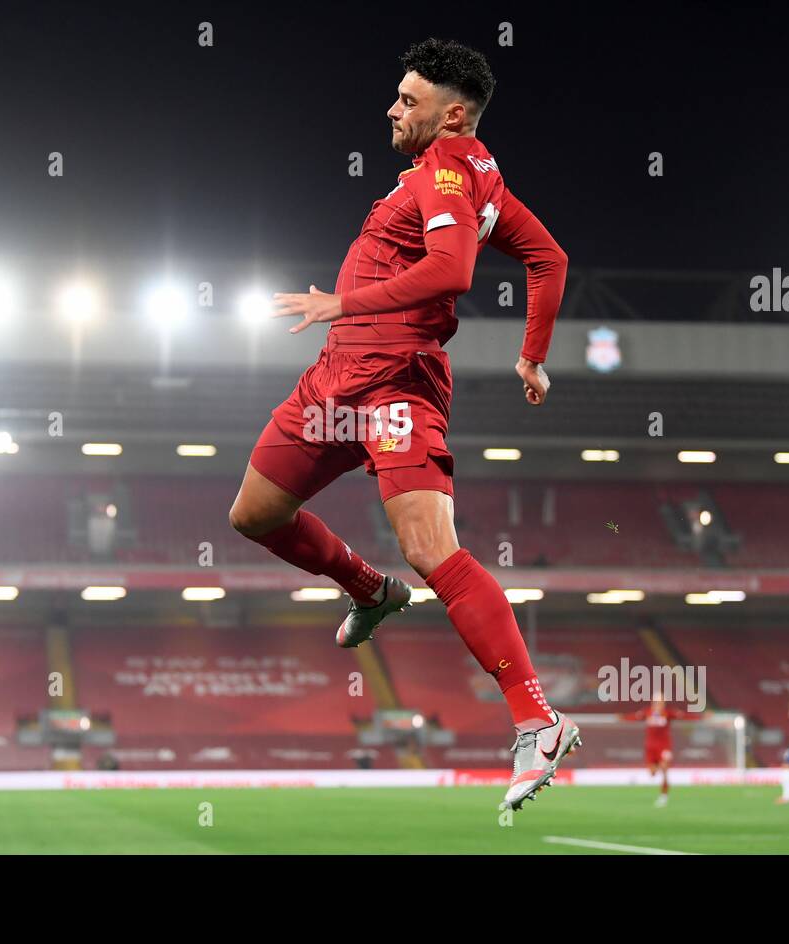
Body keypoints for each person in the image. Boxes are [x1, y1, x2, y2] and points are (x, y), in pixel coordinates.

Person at [229, 38, 572, 810]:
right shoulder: (478, 177)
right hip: (333, 381)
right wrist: (532, 357)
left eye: (409, 99)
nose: (392, 108)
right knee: (254, 513)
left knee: (431, 549)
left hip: (393, 385)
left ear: (453, 115)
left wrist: (337, 303)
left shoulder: (448, 170)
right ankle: (368, 590)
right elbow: (548, 258)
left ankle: (536, 721)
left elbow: (452, 272)